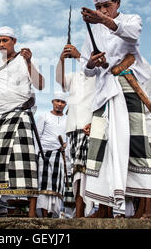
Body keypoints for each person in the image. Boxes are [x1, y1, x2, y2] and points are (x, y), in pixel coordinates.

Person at [80, 0, 151, 219]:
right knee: (102, 147)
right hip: (104, 92)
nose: (103, 10)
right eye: (99, 6)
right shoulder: (92, 31)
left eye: (106, 5)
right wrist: (91, 63)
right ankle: (104, 207)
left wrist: (102, 20)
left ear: (118, 3)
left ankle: (147, 207)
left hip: (130, 88)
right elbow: (85, 69)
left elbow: (131, 35)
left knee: (137, 144)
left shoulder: (131, 19)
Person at [0, 26, 45, 217]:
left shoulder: (25, 60)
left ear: (14, 41)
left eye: (6, 40)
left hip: (20, 114)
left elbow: (40, 85)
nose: (2, 44)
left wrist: (29, 62)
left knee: (26, 160)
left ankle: (31, 214)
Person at [56, 44, 96, 217]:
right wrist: (61, 59)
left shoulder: (99, 75)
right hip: (72, 128)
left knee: (84, 171)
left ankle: (81, 212)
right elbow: (60, 80)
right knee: (77, 171)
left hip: (88, 126)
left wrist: (79, 55)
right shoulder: (74, 76)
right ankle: (81, 212)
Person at [36, 92, 68, 218]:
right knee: (43, 184)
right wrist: (37, 154)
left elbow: (69, 138)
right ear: (52, 101)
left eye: (62, 102)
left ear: (65, 104)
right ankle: (43, 213)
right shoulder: (44, 116)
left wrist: (66, 145)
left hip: (59, 156)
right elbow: (37, 136)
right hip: (44, 155)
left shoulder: (67, 119)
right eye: (57, 101)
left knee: (56, 185)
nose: (59, 104)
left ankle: (52, 214)